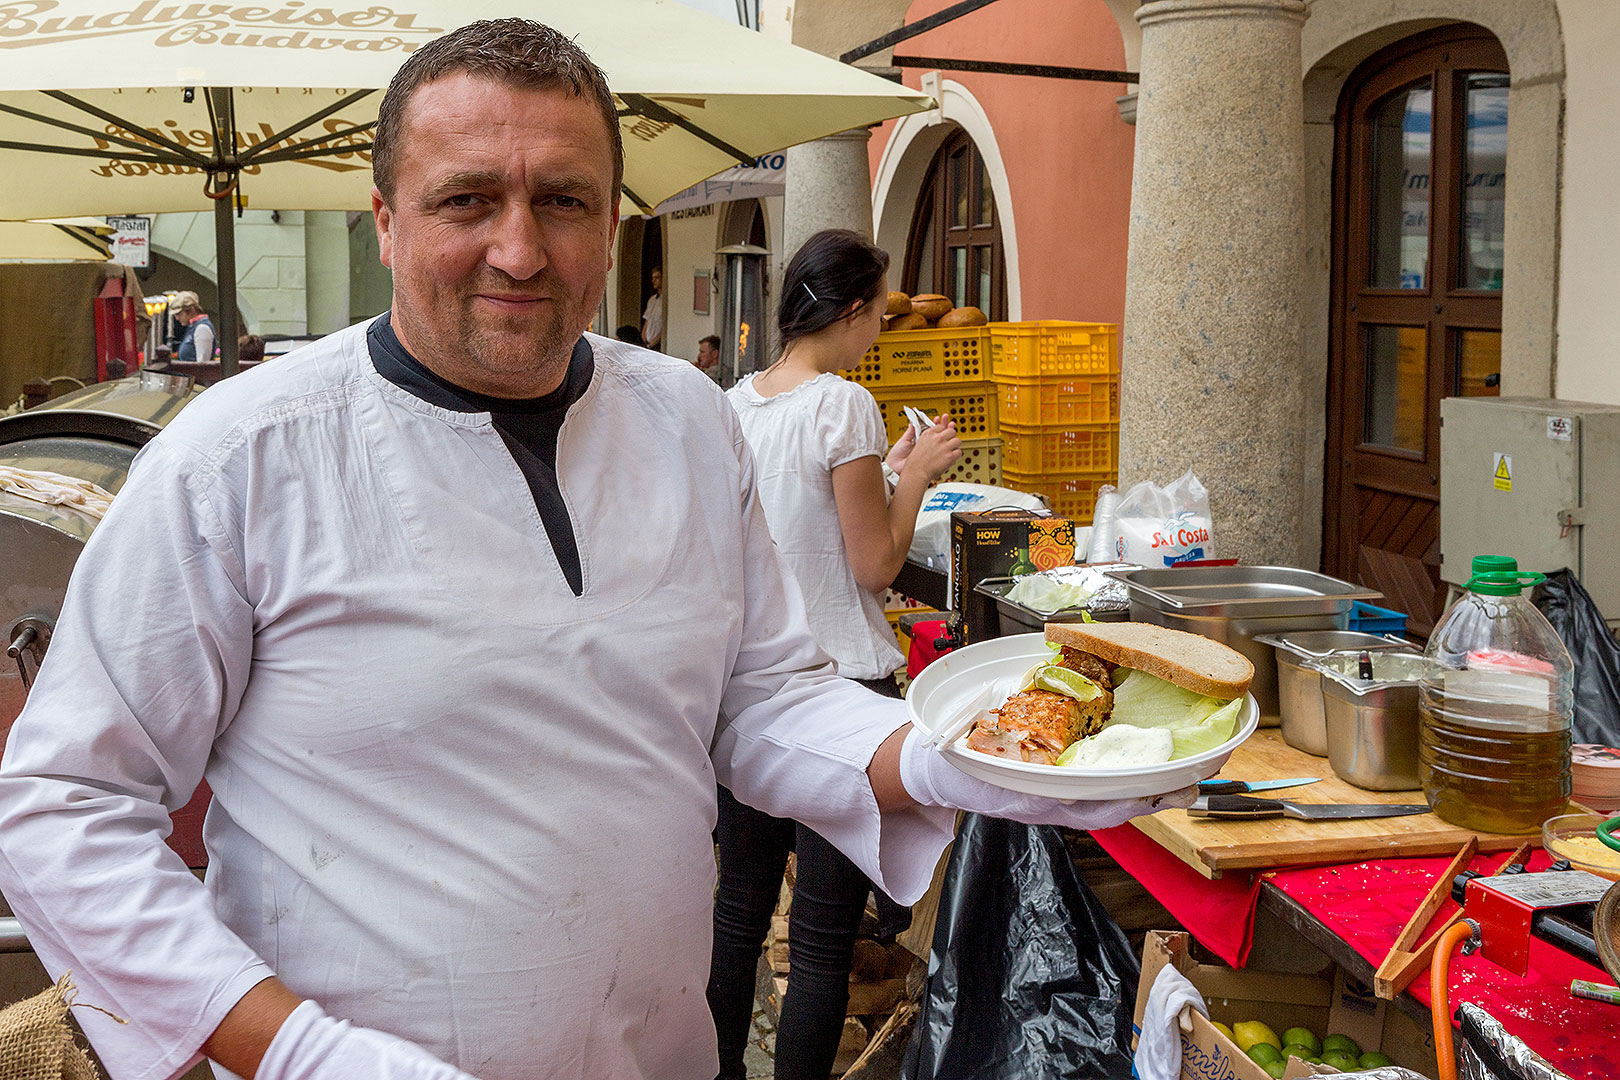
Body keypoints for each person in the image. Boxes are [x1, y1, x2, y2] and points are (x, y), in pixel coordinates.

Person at [0, 20, 1188, 1080]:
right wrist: (297, 1048)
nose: (520, 251)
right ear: (384, 219)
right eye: (467, 201)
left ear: (610, 220)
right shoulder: (236, 457)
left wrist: (936, 757)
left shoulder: (685, 415)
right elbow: (62, 806)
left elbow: (758, 696)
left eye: (563, 201)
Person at [710, 229, 963, 1080]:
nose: (879, 334)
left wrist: (886, 474)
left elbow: (802, 525)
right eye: (878, 316)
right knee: (820, 941)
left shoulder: (737, 401)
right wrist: (920, 474)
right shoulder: (842, 403)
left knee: (738, 917)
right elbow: (874, 564)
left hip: (748, 692)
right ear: (851, 310)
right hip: (840, 690)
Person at [171, 290, 216, 363]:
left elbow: (203, 364)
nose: (177, 318)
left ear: (190, 311)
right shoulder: (193, 328)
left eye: (179, 314)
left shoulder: (202, 328)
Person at [641, 266, 664, 350]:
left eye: (657, 278)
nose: (653, 281)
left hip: (658, 344)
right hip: (647, 343)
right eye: (652, 278)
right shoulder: (652, 300)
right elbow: (647, 320)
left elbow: (664, 326)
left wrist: (654, 342)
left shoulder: (665, 301)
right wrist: (643, 338)